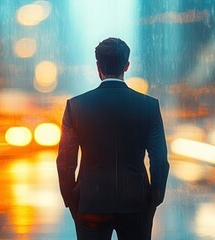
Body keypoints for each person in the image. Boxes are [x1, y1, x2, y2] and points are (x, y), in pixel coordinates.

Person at [56, 37, 169, 240]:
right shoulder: (149, 106)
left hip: (91, 203)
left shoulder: (76, 106)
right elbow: (159, 160)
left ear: (98, 66)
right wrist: (154, 198)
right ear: (126, 66)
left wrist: (72, 200)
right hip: (136, 203)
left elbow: (65, 162)